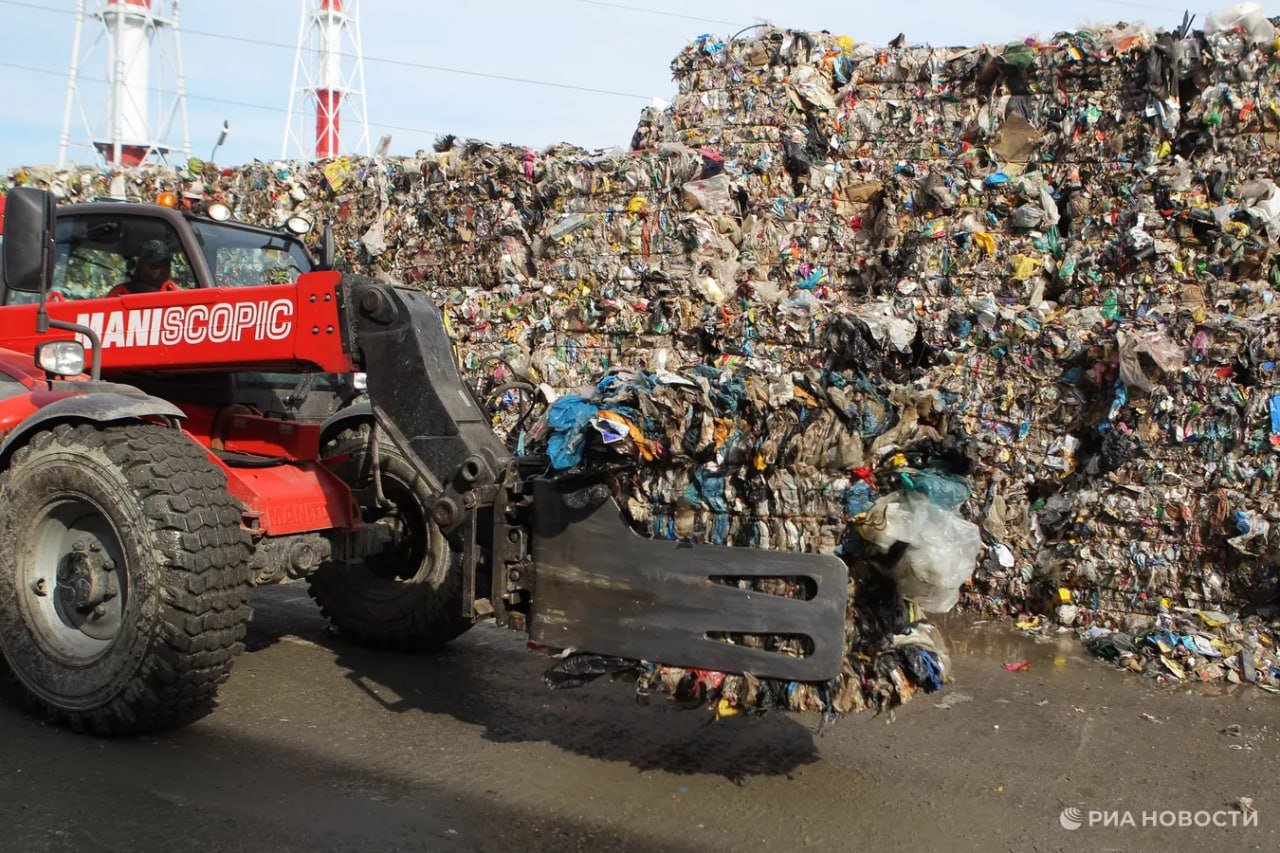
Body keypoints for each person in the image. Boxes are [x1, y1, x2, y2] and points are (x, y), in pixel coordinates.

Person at [108, 239, 180, 296]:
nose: (163, 270)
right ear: (142, 266)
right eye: (157, 265)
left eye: (167, 265)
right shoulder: (121, 293)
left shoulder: (174, 293)